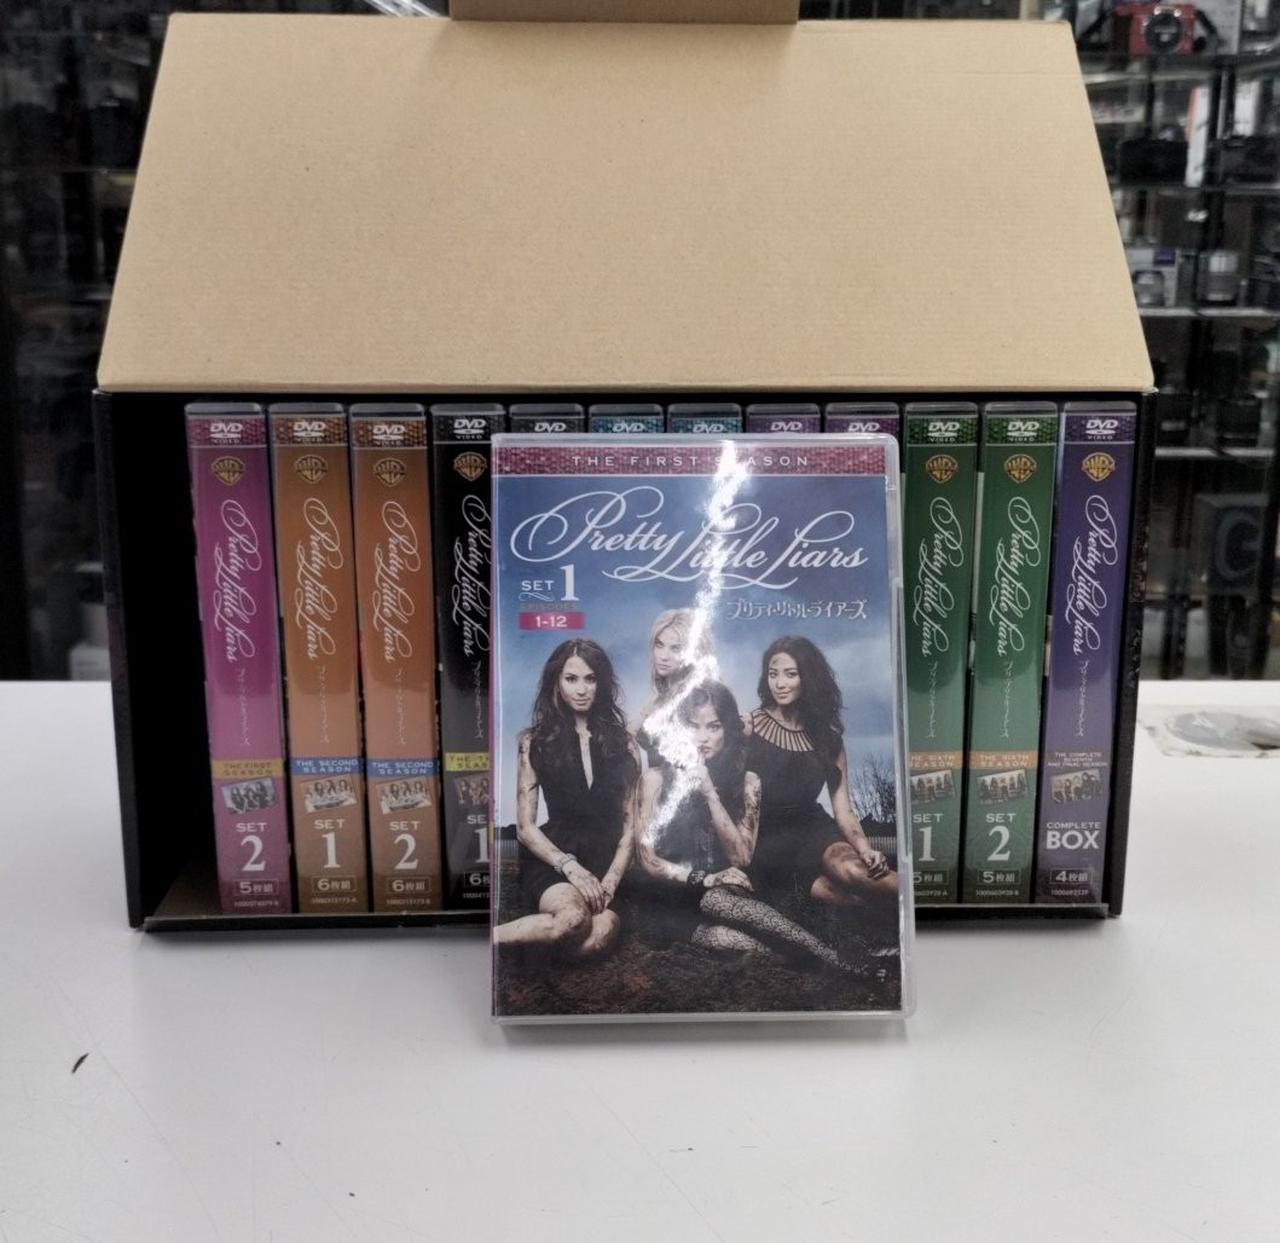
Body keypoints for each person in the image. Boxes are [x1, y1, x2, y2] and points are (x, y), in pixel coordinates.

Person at [636, 679, 851, 969]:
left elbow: (741, 857)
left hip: (725, 894)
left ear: (727, 730)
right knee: (734, 941)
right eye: (692, 726)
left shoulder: (748, 782)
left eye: (714, 727)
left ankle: (838, 960)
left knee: (716, 901)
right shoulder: (655, 780)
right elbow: (647, 859)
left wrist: (710, 793)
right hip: (674, 901)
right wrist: (703, 878)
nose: (702, 738)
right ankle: (824, 963)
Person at [493, 639, 640, 957]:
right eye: (571, 679)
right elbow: (525, 828)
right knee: (572, 922)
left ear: (602, 683)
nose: (582, 689)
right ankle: (486, 941)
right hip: (555, 859)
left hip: (606, 864)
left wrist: (611, 880)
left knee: (595, 939)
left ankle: (535, 948)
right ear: (556, 683)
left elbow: (631, 827)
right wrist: (570, 867)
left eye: (591, 679)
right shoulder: (533, 741)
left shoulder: (625, 743)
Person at [746, 635, 898, 907]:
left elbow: (844, 811)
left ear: (809, 677)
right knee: (838, 896)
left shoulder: (829, 740)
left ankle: (925, 898)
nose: (779, 683)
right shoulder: (748, 726)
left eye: (790, 674)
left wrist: (866, 850)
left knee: (853, 871)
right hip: (767, 842)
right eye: (773, 674)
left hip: (814, 831)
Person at [635, 608, 715, 769]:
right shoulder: (660, 702)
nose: (663, 656)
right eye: (659, 645)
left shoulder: (702, 699)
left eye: (676, 648)